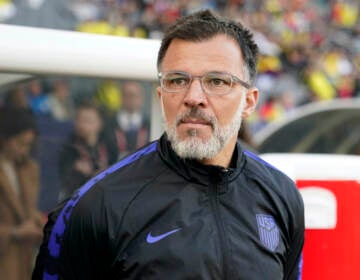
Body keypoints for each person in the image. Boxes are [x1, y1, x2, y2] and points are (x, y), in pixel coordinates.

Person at [33, 9, 304, 280]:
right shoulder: (97, 206)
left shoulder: (281, 194)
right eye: (178, 80)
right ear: (162, 95)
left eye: (217, 81)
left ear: (249, 101)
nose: (194, 97)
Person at [0, 108, 44, 280]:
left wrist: (38, 224)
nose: (25, 150)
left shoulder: (29, 169)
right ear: (4, 139)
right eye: (20, 143)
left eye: (28, 145)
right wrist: (15, 233)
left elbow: (30, 209)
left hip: (23, 262)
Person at [58, 101, 110, 199]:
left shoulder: (108, 145)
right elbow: (65, 183)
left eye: (88, 121)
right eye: (79, 120)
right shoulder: (68, 148)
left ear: (99, 124)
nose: (82, 125)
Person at [104, 80, 150, 162]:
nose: (131, 99)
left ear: (141, 98)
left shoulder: (149, 125)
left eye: (135, 95)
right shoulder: (110, 124)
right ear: (121, 98)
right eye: (127, 95)